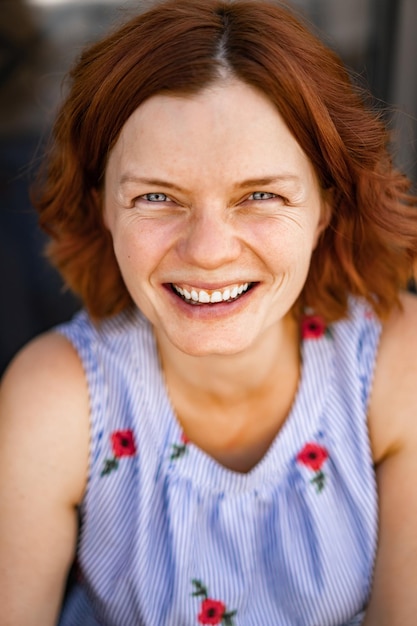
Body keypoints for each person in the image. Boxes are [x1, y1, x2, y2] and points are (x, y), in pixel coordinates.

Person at [1, 0, 417, 624]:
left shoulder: (394, 365)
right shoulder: (58, 398)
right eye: (158, 196)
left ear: (325, 209)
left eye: (261, 196)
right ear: (104, 208)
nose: (208, 252)